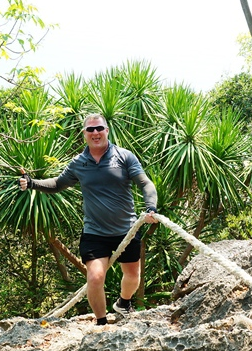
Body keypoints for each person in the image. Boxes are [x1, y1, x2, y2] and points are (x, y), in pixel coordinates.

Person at [19, 114, 158, 325]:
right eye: (90, 130)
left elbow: (145, 183)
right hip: (95, 233)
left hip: (127, 230)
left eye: (99, 128)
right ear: (84, 133)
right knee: (94, 277)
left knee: (133, 276)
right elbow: (57, 184)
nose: (95, 133)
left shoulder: (124, 156)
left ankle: (124, 302)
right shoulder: (79, 163)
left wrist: (151, 208)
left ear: (107, 130)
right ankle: (101, 323)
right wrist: (32, 183)